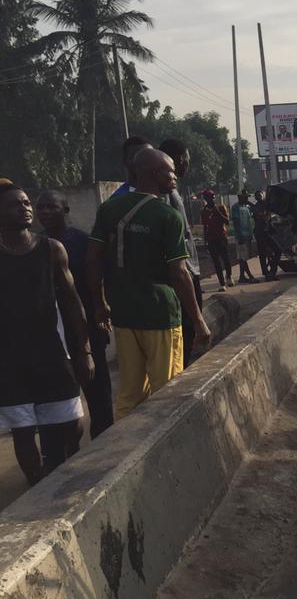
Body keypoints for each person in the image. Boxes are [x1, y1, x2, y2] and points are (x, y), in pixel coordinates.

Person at [87, 150, 212, 418]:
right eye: (169, 170)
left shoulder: (109, 209)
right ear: (153, 174)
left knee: (129, 393)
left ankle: (124, 445)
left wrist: (100, 303)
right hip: (160, 314)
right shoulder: (168, 216)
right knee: (167, 392)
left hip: (123, 314)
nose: (175, 176)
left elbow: (93, 260)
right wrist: (198, 320)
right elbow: (179, 273)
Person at [0, 180, 94, 485]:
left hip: (52, 353)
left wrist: (84, 351)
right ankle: (37, 484)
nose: (26, 208)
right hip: (10, 361)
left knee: (72, 424)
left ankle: (64, 468)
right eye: (16, 204)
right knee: (23, 431)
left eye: (27, 202)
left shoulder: (51, 249)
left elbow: (72, 303)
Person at [35, 190, 114, 438]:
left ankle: (104, 444)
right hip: (52, 334)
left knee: (99, 396)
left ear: (65, 210)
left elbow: (98, 283)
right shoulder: (35, 246)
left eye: (52, 207)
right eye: (42, 208)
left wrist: (101, 319)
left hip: (86, 327)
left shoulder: (82, 243)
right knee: (60, 404)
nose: (45, 212)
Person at [158, 139, 205, 366]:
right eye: (185, 160)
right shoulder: (166, 194)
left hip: (189, 267)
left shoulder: (174, 192)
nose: (187, 165)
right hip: (183, 269)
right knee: (187, 330)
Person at [200, 189, 232, 291]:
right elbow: (205, 226)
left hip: (222, 237)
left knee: (226, 259)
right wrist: (205, 241)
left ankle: (229, 276)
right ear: (206, 199)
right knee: (216, 262)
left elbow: (227, 221)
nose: (211, 200)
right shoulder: (203, 211)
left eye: (212, 198)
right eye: (208, 198)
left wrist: (218, 212)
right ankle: (222, 283)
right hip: (211, 239)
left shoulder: (221, 208)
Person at [108, 135, 153, 200]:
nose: (144, 161)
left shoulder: (165, 193)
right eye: (137, 157)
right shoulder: (119, 200)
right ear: (125, 161)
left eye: (149, 157)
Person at [230, 190, 258, 283]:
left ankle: (242, 276)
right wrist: (239, 235)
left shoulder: (247, 207)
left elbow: (254, 212)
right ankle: (250, 276)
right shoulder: (235, 207)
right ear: (239, 197)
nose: (246, 198)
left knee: (244, 257)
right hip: (241, 235)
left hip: (248, 235)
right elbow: (236, 222)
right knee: (242, 257)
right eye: (244, 197)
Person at [253, 189, 281, 280]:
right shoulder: (258, 206)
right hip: (262, 232)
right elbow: (262, 217)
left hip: (265, 232)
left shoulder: (265, 205)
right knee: (270, 252)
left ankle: (270, 272)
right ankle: (269, 273)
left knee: (271, 252)